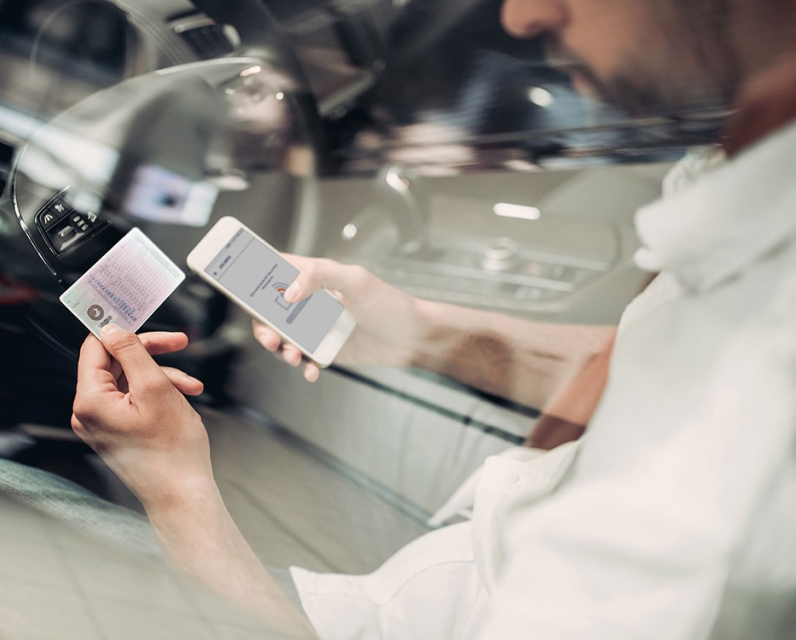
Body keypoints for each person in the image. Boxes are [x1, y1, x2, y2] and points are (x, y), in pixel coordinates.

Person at [70, 0, 796, 637]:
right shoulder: (743, 188)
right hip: (428, 585)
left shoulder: (736, 456)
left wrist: (173, 487)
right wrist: (414, 329)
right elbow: (645, 359)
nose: (520, 17)